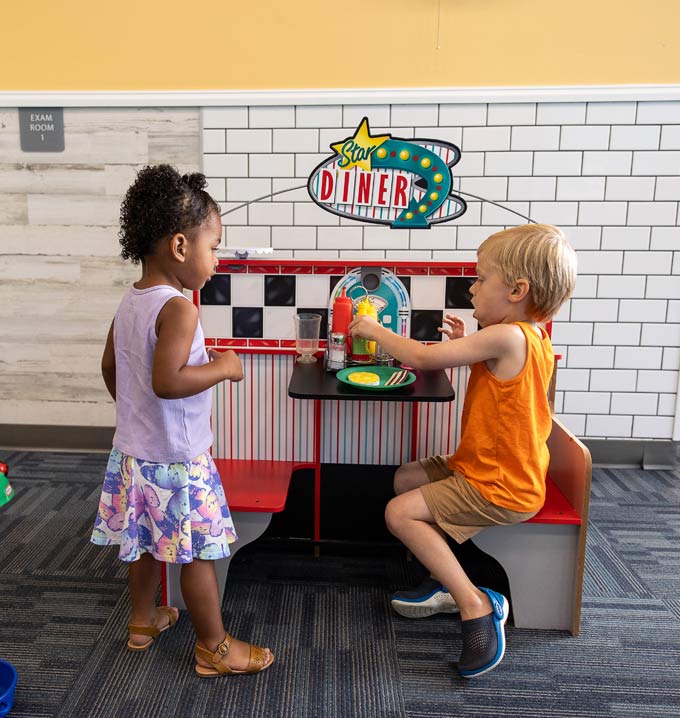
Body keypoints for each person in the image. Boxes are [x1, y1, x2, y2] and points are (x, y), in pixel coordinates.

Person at [349, 223, 576, 678]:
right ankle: (443, 580)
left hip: (500, 484)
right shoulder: (523, 337)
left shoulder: (509, 336)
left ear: (517, 290)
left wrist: (375, 328)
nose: (472, 287)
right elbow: (500, 379)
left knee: (399, 513)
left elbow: (422, 358)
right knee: (407, 478)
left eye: (480, 278)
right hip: (487, 466)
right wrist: (462, 343)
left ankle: (476, 605)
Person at [91, 164, 273, 676]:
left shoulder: (131, 300)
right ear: (179, 247)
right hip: (176, 460)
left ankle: (143, 620)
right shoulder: (180, 308)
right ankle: (213, 647)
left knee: (145, 543)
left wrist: (134, 417)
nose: (215, 261)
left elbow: (112, 367)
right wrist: (225, 367)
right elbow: (168, 381)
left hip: (134, 452)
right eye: (213, 247)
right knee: (196, 555)